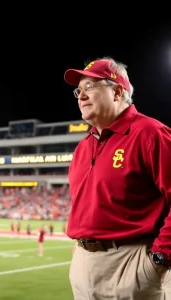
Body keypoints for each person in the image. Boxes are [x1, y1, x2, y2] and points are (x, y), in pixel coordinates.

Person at [64, 56, 171, 299]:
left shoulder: (149, 133)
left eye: (90, 87)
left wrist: (160, 257)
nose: (81, 96)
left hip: (130, 262)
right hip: (83, 264)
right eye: (78, 90)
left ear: (117, 92)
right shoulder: (82, 147)